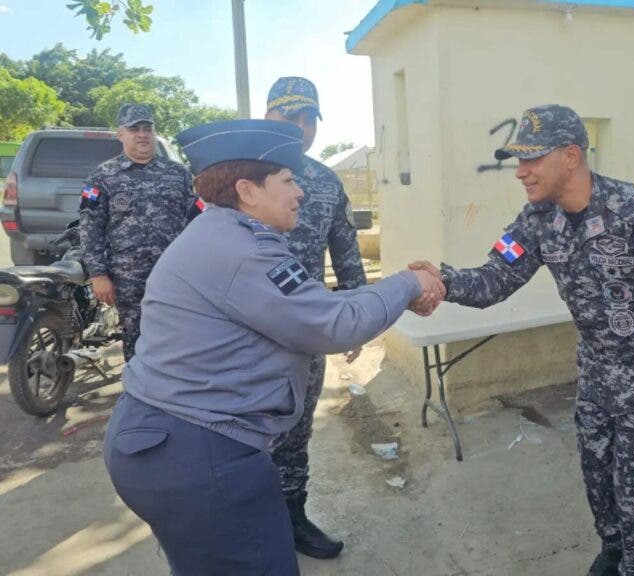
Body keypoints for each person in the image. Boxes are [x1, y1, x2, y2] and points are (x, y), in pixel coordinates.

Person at [102, 119, 444, 576]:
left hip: (164, 441)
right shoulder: (243, 251)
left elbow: (309, 306)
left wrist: (387, 293)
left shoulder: (222, 234)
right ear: (247, 191)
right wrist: (410, 282)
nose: (300, 191)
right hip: (201, 454)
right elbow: (334, 325)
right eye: (287, 180)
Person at [412, 104, 634, 576]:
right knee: (599, 485)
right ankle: (614, 554)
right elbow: (496, 278)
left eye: (531, 159)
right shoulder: (537, 220)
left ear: (571, 156)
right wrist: (442, 281)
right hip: (596, 382)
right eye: (517, 160)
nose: (520, 172)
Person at [264, 76, 367, 559]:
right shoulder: (238, 175)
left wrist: (356, 317)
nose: (301, 128)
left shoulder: (326, 182)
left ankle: (292, 518)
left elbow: (346, 254)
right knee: (239, 432)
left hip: (304, 332)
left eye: (308, 118)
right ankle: (245, 525)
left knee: (296, 429)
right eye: (290, 117)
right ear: (268, 117)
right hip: (244, 332)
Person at [79, 103, 199, 362]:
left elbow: (199, 220)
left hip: (176, 275)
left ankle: (173, 393)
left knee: (178, 336)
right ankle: (138, 395)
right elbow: (90, 227)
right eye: (134, 129)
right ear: (121, 134)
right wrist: (98, 274)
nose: (142, 134)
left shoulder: (179, 174)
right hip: (128, 278)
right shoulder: (102, 176)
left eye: (148, 128)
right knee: (136, 339)